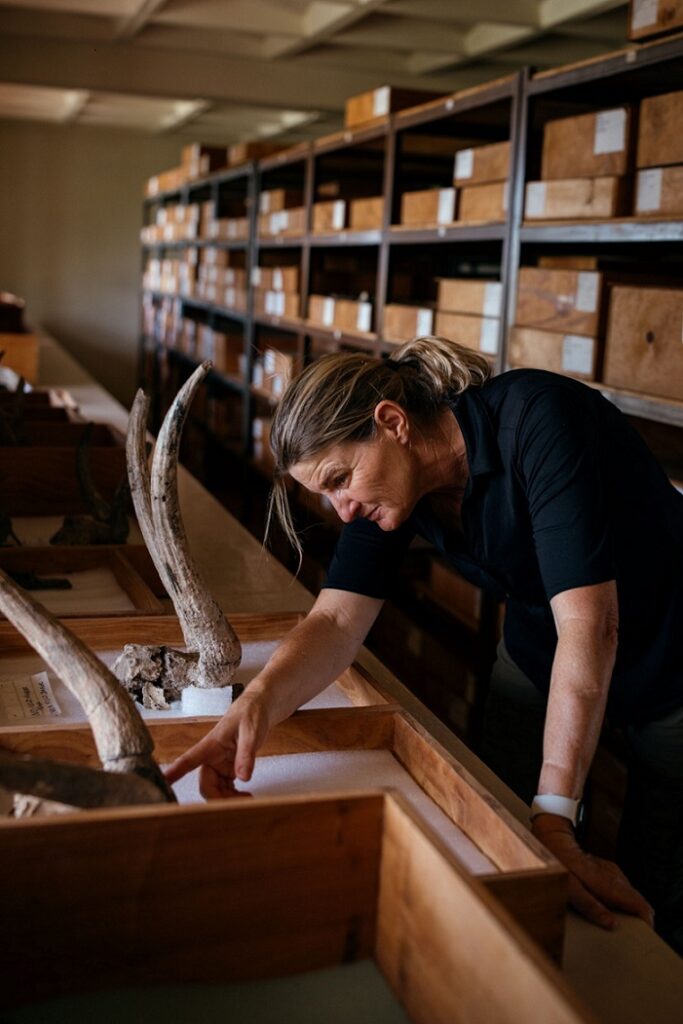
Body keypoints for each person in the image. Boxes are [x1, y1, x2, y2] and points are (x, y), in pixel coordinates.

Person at [166, 336, 682, 950]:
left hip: (669, 649)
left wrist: (555, 818)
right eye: (325, 495)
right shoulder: (392, 491)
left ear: (391, 422)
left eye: (339, 479)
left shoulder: (542, 420)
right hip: (543, 646)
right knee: (507, 825)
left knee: (654, 874)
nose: (343, 508)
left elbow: (592, 625)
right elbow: (334, 623)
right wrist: (256, 705)